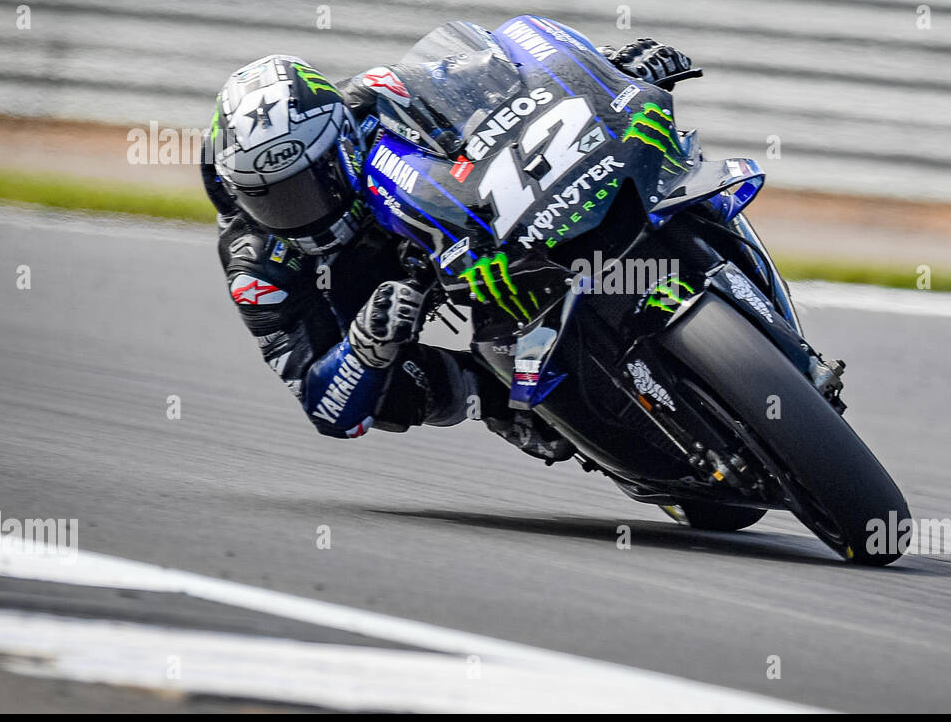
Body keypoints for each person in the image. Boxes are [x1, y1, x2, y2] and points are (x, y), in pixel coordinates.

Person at [200, 25, 697, 461]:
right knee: (391, 396)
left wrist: (610, 68)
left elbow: (510, 75)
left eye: (307, 186)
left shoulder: (376, 95)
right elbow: (327, 409)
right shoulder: (258, 269)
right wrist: (364, 348)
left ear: (340, 145)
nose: (298, 211)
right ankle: (497, 397)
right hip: (377, 294)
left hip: (465, 228)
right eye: (275, 200)